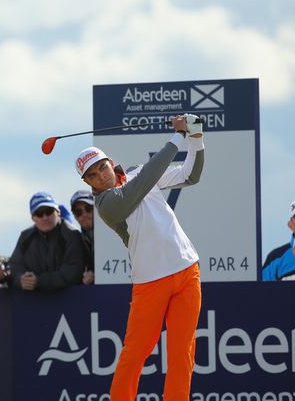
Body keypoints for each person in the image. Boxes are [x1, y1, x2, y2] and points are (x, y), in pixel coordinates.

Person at [77, 114, 203, 400]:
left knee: (182, 353)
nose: (101, 176)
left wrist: (196, 135)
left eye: (101, 168)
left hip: (187, 270)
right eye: (92, 176)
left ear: (111, 162)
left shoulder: (136, 172)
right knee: (135, 354)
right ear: (89, 183)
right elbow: (146, 181)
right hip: (150, 282)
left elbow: (190, 175)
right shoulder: (106, 205)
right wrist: (178, 136)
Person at [9, 192, 86, 291]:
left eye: (49, 211)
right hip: (33, 301)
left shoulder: (72, 234)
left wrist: (39, 281)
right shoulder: (25, 237)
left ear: (57, 212)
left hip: (69, 300)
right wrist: (21, 279)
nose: (45, 217)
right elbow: (15, 267)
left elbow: (73, 272)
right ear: (32, 218)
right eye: (39, 213)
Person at [71, 190, 95, 285]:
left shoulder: (114, 232)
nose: (84, 214)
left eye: (88, 208)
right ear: (75, 217)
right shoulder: (75, 240)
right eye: (78, 212)